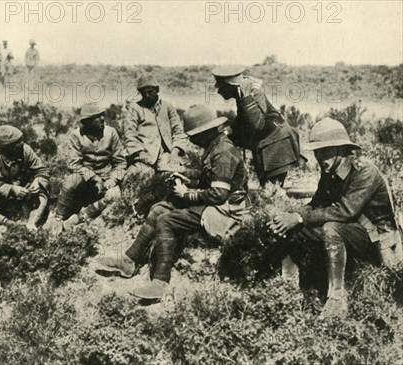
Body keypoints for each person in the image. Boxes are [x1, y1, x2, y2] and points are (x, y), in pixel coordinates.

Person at [98, 105, 249, 299]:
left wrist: (186, 194)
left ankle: (160, 282)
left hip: (226, 212)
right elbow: (209, 183)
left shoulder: (223, 152)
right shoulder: (215, 146)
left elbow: (219, 194)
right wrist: (188, 181)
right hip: (216, 204)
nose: (192, 140)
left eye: (194, 135)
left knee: (166, 220)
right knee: (158, 209)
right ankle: (129, 261)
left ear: (205, 132)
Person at [268, 118, 402, 318]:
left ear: (341, 149)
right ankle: (288, 290)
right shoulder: (329, 172)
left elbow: (345, 211)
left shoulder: (365, 171)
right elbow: (316, 204)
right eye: (317, 151)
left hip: (378, 239)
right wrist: (291, 218)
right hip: (353, 231)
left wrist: (299, 218)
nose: (320, 157)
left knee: (331, 227)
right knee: (294, 229)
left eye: (326, 150)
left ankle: (336, 299)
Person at [212, 65, 301, 186]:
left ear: (231, 85)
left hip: (277, 143)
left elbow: (257, 124)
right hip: (269, 141)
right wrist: (230, 130)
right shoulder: (241, 94)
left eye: (222, 86)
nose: (219, 91)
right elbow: (244, 118)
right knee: (267, 188)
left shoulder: (251, 94)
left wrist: (247, 98)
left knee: (271, 190)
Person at [54, 102, 126, 227]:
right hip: (86, 180)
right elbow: (74, 164)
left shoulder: (111, 132)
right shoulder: (76, 135)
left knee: (114, 195)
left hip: (107, 178)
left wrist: (113, 180)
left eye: (102, 115)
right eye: (97, 117)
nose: (102, 119)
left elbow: (120, 162)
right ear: (87, 122)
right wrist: (94, 178)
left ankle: (80, 217)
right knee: (71, 181)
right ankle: (58, 218)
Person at [0, 126, 51, 230]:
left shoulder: (25, 150)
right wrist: (12, 189)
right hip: (3, 196)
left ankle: (32, 223)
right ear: (7, 146)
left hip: (25, 191)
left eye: (21, 140)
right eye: (18, 142)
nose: (22, 143)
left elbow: (42, 170)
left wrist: (37, 181)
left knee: (43, 185)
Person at [123, 75, 189, 176]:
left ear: (157, 90)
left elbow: (178, 131)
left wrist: (175, 151)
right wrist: (139, 152)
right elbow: (129, 134)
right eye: (143, 93)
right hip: (144, 155)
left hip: (167, 154)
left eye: (150, 92)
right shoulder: (134, 108)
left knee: (177, 174)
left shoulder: (167, 106)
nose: (147, 95)